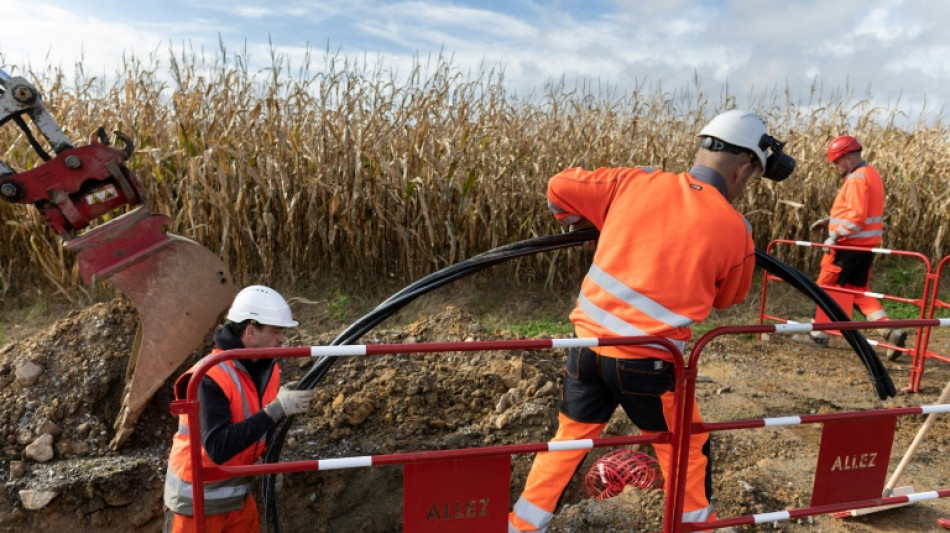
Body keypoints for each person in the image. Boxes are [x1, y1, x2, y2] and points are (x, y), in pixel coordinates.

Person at [509, 110, 793, 532]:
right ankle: (693, 526)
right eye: (751, 177)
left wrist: (593, 220)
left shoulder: (632, 182)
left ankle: (522, 526)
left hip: (585, 350)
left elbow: (558, 190)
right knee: (686, 447)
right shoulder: (735, 229)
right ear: (744, 167)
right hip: (650, 364)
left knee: (568, 441)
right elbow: (729, 299)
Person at [163, 285, 315, 533]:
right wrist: (275, 410)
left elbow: (257, 426)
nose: (283, 339)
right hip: (196, 505)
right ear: (251, 331)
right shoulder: (210, 376)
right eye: (277, 331)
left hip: (239, 498)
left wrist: (271, 461)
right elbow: (218, 448)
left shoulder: (269, 370)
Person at [791, 135, 907, 360]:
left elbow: (855, 218)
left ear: (850, 157)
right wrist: (829, 221)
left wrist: (833, 235)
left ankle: (818, 336)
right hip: (864, 248)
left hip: (847, 248)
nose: (835, 167)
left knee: (825, 288)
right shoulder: (871, 174)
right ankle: (891, 331)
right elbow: (862, 213)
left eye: (837, 161)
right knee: (857, 292)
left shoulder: (856, 180)